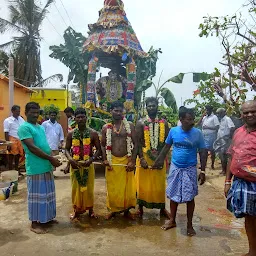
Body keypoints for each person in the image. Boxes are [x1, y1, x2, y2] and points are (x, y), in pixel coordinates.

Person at [152, 107, 207, 236]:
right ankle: (172, 220)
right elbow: (167, 147)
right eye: (189, 119)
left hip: (190, 168)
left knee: (190, 197)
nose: (192, 121)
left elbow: (203, 152)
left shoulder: (197, 133)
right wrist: (158, 161)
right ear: (181, 119)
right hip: (175, 167)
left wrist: (203, 171)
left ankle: (189, 225)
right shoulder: (173, 131)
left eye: (193, 119)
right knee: (173, 195)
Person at [18, 102, 61, 234]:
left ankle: (47, 219)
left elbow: (43, 144)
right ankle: (35, 223)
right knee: (36, 197)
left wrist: (53, 155)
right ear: (26, 113)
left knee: (47, 195)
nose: (35, 115)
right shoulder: (24, 128)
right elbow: (32, 148)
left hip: (46, 166)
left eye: (37, 112)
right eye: (32, 112)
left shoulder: (40, 127)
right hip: (36, 167)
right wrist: (51, 158)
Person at [225, 100, 256, 256]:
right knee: (249, 217)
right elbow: (231, 155)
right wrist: (227, 181)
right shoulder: (238, 132)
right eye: (246, 112)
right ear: (241, 114)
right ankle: (252, 251)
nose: (250, 114)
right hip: (241, 182)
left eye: (253, 111)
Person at [101, 101, 137, 220]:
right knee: (113, 187)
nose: (118, 113)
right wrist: (105, 159)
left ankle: (126, 211)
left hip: (126, 160)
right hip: (112, 161)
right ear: (110, 111)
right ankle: (113, 210)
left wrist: (132, 161)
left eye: (120, 110)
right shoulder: (106, 127)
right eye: (115, 110)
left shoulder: (129, 125)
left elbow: (136, 144)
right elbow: (102, 145)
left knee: (127, 188)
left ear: (123, 112)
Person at [135, 97, 170, 218]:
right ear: (146, 107)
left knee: (159, 184)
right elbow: (138, 142)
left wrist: (163, 158)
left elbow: (167, 143)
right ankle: (140, 208)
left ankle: (162, 208)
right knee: (142, 183)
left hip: (159, 157)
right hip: (145, 156)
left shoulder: (164, 123)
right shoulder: (140, 123)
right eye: (149, 106)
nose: (151, 108)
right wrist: (142, 159)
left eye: (153, 105)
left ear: (157, 106)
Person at [65, 108, 101, 220]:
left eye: (83, 117)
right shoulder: (71, 134)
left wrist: (91, 159)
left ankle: (90, 210)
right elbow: (66, 149)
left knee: (89, 188)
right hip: (75, 165)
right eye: (78, 117)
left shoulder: (93, 133)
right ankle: (76, 210)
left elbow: (99, 150)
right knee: (75, 189)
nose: (80, 119)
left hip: (88, 164)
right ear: (74, 119)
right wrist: (70, 160)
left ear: (86, 118)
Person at [213, 108, 235, 175]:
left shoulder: (227, 119)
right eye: (217, 113)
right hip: (221, 141)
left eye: (219, 113)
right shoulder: (221, 120)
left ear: (223, 112)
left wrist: (228, 137)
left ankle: (225, 171)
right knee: (222, 155)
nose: (218, 114)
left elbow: (232, 128)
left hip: (225, 141)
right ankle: (224, 170)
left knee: (224, 155)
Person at [4, 105, 25, 174]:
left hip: (20, 139)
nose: (18, 113)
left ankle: (17, 171)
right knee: (11, 156)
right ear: (12, 111)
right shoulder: (8, 120)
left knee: (18, 156)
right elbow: (6, 132)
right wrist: (8, 143)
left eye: (19, 111)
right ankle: (10, 172)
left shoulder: (21, 119)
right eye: (16, 111)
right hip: (12, 139)